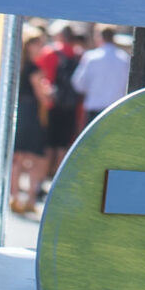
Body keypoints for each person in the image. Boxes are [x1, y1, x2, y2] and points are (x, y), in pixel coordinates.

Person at [9, 24, 50, 215]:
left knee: (17, 157)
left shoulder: (17, 65)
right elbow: (42, 96)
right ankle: (30, 199)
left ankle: (15, 197)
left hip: (19, 110)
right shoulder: (34, 69)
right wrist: (48, 94)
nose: (42, 48)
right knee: (34, 157)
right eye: (39, 44)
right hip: (31, 112)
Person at [38, 24, 86, 180]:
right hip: (71, 106)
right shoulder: (79, 55)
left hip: (52, 105)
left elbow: (44, 77)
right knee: (63, 144)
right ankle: (58, 178)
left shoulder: (50, 52)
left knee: (48, 143)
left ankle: (44, 176)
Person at [71, 27, 131, 130]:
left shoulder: (91, 57)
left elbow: (78, 84)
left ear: (99, 37)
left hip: (94, 109)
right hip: (115, 109)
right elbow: (127, 85)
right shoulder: (124, 58)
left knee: (92, 144)